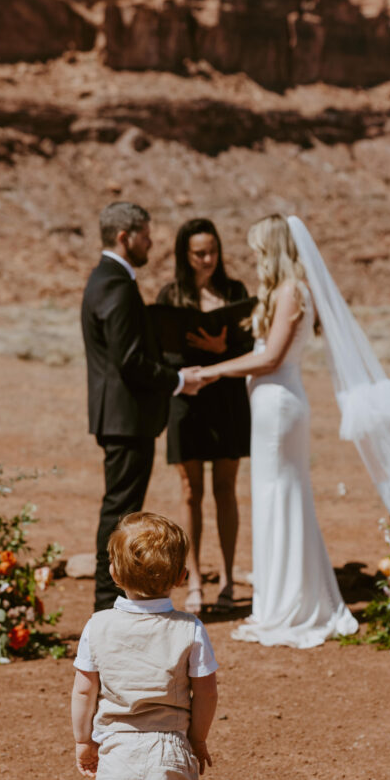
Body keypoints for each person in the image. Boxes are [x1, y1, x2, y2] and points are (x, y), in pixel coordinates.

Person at [195, 215, 359, 648]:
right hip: (273, 405)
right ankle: (284, 596)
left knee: (279, 496)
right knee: (277, 496)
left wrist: (212, 372)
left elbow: (270, 360)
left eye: (257, 249)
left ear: (273, 248)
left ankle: (286, 603)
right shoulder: (290, 292)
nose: (253, 258)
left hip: (279, 406)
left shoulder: (291, 290)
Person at [71, 511, 218, 780]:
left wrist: (84, 741)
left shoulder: (99, 625)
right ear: (182, 575)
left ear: (114, 572)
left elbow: (84, 691)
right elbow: (205, 692)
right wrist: (198, 738)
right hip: (169, 749)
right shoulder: (190, 629)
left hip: (117, 749)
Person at [81, 202, 204, 612]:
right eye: (146, 234)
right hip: (126, 416)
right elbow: (129, 360)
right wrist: (180, 380)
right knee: (120, 509)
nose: (151, 242)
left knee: (120, 505)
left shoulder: (106, 279)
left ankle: (112, 594)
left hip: (121, 415)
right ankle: (106, 599)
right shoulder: (115, 284)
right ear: (124, 236)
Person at [157, 218, 253, 614]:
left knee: (226, 490)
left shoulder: (235, 292)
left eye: (213, 251)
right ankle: (194, 579)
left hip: (227, 400)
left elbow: (252, 349)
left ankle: (229, 579)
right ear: (185, 254)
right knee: (190, 492)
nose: (208, 259)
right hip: (187, 404)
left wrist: (220, 347)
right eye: (199, 253)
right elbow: (163, 353)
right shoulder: (171, 294)